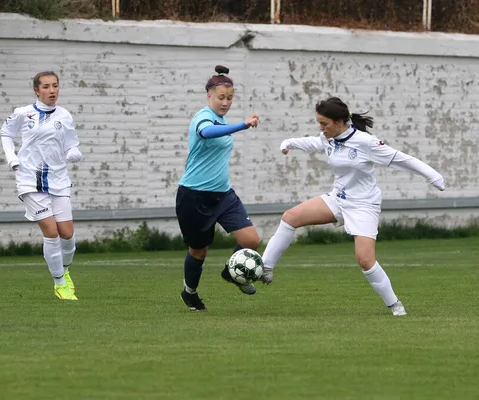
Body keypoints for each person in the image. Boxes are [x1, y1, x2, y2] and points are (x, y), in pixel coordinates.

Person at [259, 97, 445, 316]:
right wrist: (289, 143)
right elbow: (312, 142)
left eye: (324, 124)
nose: (321, 128)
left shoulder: (366, 142)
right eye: (319, 123)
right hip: (338, 199)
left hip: (364, 205)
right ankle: (266, 268)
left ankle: (396, 305)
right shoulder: (328, 138)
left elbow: (402, 159)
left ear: (339, 122)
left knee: (365, 260)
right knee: (290, 217)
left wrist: (434, 176)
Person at [176, 65, 261, 311]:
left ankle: (232, 272)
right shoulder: (202, 117)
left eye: (230, 98)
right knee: (198, 252)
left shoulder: (222, 119)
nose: (225, 103)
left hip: (223, 195)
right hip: (193, 197)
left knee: (250, 240)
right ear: (209, 96)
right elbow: (207, 132)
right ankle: (190, 293)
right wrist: (242, 125)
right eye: (221, 98)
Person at [1, 71, 83, 301]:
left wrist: (74, 152)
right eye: (46, 86)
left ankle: (65, 271)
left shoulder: (65, 116)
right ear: (37, 90)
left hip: (58, 181)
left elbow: (70, 145)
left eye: (55, 86)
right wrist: (12, 158)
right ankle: (59, 284)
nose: (52, 90)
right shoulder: (23, 113)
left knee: (67, 234)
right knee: (52, 231)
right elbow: (5, 132)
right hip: (29, 181)